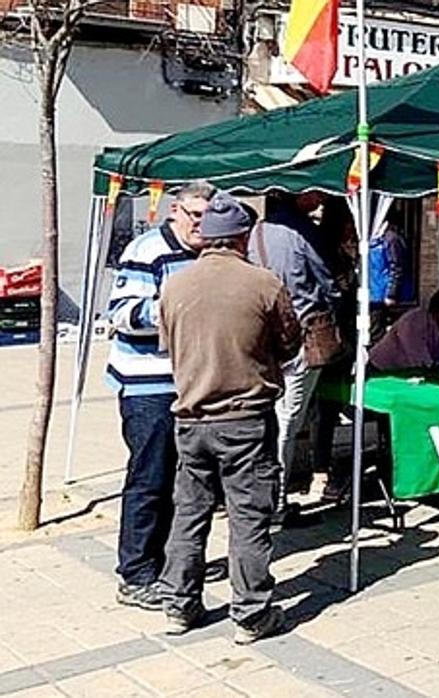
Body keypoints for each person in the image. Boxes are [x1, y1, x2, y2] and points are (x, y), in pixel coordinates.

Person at [157, 192, 302, 643]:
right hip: (245, 419)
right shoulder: (263, 284)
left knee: (189, 514)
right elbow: (290, 344)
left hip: (190, 419)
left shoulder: (174, 285)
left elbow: (168, 345)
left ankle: (179, 605)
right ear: (242, 238)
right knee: (248, 518)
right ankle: (251, 613)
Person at [104, 181, 215, 610]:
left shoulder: (209, 255)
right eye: (194, 216)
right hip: (146, 385)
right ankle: (135, 573)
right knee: (149, 479)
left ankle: (167, 559)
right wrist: (179, 309)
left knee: (181, 481)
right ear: (174, 211)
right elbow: (120, 314)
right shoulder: (146, 250)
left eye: (208, 216)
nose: (200, 225)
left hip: (190, 385)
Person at [249, 192, 340, 514]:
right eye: (314, 192)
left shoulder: (257, 232)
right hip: (302, 336)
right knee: (287, 421)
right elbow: (328, 281)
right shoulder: (303, 232)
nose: (321, 197)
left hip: (265, 337)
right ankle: (277, 500)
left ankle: (266, 494)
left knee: (272, 417)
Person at [368, 288, 439, 371]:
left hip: (412, 374)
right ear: (436, 313)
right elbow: (423, 365)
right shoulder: (414, 324)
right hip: (381, 371)